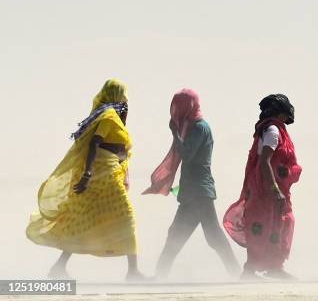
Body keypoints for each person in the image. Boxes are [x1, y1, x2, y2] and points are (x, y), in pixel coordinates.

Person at [26, 79, 144, 280]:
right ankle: (132, 272)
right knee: (127, 217)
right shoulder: (108, 117)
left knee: (84, 219)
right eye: (123, 95)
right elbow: (94, 144)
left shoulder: (112, 116)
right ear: (116, 95)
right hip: (102, 175)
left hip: (110, 174)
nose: (125, 99)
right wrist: (87, 175)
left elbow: (118, 149)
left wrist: (124, 173)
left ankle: (58, 268)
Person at [143, 88, 240, 279]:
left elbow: (187, 153)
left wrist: (174, 133)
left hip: (200, 192)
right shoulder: (191, 127)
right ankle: (159, 276)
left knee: (213, 236)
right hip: (191, 193)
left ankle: (237, 273)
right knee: (177, 235)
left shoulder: (199, 128)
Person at [223, 94, 302, 280]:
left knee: (279, 224)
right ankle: (250, 271)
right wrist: (274, 189)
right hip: (266, 190)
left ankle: (274, 267)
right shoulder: (273, 130)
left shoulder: (273, 129)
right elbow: (265, 161)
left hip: (271, 188)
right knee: (265, 226)